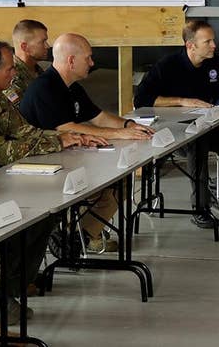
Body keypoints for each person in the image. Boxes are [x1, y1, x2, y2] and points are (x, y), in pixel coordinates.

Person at [19, 33, 154, 250]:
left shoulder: (72, 86)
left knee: (122, 183)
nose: (92, 63)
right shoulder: (45, 88)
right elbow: (66, 127)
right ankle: (72, 238)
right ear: (71, 60)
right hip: (44, 164)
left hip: (68, 157)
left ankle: (77, 236)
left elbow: (99, 116)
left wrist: (128, 125)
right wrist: (118, 135)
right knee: (106, 187)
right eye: (88, 58)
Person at [133, 20, 219, 228]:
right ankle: (200, 208)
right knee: (198, 147)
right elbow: (141, 100)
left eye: (213, 40)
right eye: (208, 41)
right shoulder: (167, 66)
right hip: (179, 131)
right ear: (191, 45)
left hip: (211, 125)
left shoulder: (215, 62)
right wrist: (181, 101)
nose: (214, 45)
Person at [8, 18, 50, 101]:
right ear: (25, 47)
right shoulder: (11, 77)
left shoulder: (39, 71)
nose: (47, 46)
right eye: (42, 42)